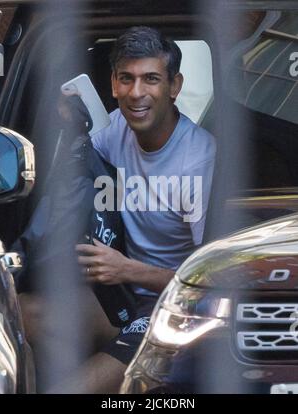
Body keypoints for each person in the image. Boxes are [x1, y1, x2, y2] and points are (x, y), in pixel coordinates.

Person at [20, 26, 216, 394]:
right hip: (125, 299)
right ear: (113, 84)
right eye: (126, 79)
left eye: (151, 79)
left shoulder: (199, 161)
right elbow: (81, 166)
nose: (136, 93)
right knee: (18, 311)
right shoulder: (117, 132)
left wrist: (126, 268)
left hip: (179, 314)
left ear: (174, 86)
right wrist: (70, 122)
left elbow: (209, 283)